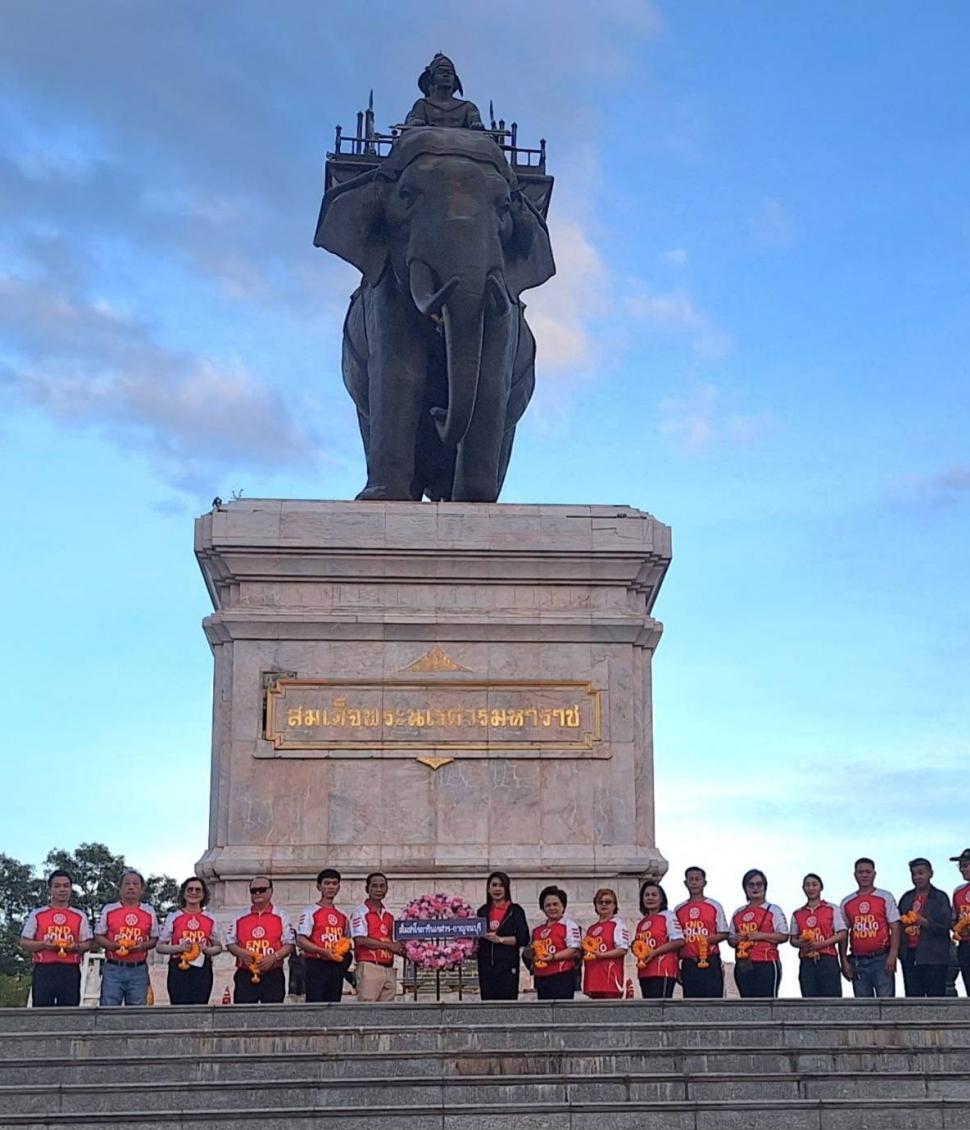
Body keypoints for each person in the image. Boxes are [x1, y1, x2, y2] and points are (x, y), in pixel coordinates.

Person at [21, 869, 92, 1007]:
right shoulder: (38, 914)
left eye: (66, 886)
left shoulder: (79, 915)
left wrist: (75, 947)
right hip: (44, 969)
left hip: (70, 969)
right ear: (50, 890)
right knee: (42, 1011)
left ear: (71, 889)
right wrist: (44, 945)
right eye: (57, 886)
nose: (62, 889)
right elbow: (24, 942)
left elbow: (88, 943)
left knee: (69, 1012)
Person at [225, 876, 295, 1004]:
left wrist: (274, 957)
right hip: (246, 973)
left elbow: (290, 943)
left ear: (271, 891)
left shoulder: (281, 915)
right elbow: (230, 942)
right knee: (243, 1012)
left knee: (272, 1013)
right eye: (253, 890)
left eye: (262, 890)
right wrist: (242, 953)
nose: (257, 893)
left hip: (272, 974)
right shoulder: (240, 916)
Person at [94, 869, 159, 1006]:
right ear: (120, 888)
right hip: (113, 967)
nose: (131, 887)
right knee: (109, 1008)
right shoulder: (109, 909)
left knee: (137, 1011)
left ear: (141, 890)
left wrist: (142, 946)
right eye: (127, 883)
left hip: (138, 969)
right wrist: (112, 946)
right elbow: (98, 935)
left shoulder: (149, 911)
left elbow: (154, 938)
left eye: (135, 884)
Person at [839, 857, 900, 998]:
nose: (864, 875)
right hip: (858, 961)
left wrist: (893, 954)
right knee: (863, 1005)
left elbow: (895, 926)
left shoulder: (885, 897)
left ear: (874, 874)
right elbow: (843, 933)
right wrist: (843, 960)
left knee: (886, 1002)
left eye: (868, 872)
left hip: (881, 958)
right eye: (860, 872)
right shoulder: (847, 902)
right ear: (855, 875)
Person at [157, 877, 223, 1005]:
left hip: (202, 967)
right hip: (179, 966)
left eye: (198, 890)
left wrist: (207, 949)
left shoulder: (210, 918)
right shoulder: (174, 917)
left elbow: (218, 947)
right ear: (183, 893)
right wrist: (179, 948)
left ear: (203, 895)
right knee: (179, 1007)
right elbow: (160, 947)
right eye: (190, 889)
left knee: (200, 1007)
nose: (193, 892)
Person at [728, 869, 789, 998]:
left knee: (767, 1002)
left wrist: (761, 936)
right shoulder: (738, 912)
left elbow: (784, 936)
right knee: (746, 1002)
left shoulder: (774, 909)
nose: (755, 888)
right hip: (743, 963)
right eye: (751, 885)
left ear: (765, 887)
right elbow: (730, 939)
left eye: (759, 884)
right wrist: (736, 939)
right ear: (745, 888)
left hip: (767, 962)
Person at [897, 857, 952, 997]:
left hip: (935, 956)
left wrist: (923, 922)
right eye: (914, 874)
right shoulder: (906, 898)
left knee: (935, 999)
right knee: (913, 998)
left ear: (930, 874)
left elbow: (946, 925)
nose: (917, 877)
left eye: (921, 873)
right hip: (910, 955)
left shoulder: (940, 897)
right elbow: (898, 925)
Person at [788, 873, 848, 998]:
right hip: (806, 960)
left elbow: (842, 933)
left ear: (821, 887)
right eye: (807, 885)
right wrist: (801, 943)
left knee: (832, 999)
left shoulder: (832, 908)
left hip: (828, 959)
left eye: (814, 885)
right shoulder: (797, 913)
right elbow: (792, 939)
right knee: (809, 999)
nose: (811, 888)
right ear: (803, 888)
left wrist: (822, 944)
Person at [297, 868, 352, 1003]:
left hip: (335, 965)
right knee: (315, 1004)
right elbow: (301, 939)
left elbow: (346, 940)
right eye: (327, 883)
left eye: (334, 883)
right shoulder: (310, 911)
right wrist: (322, 951)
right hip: (316, 964)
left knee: (334, 1003)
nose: (331, 887)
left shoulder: (342, 915)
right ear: (319, 886)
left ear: (339, 887)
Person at [349, 872, 406, 1002]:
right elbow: (360, 940)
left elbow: (395, 943)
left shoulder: (389, 915)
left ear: (387, 889)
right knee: (368, 1008)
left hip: (388, 967)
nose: (378, 890)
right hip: (369, 966)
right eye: (374, 886)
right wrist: (389, 946)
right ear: (367, 889)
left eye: (382, 886)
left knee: (387, 1010)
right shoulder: (360, 912)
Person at [674, 866, 729, 998]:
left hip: (710, 960)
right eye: (691, 879)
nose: (694, 882)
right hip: (689, 962)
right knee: (691, 1002)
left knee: (713, 1001)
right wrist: (676, 967)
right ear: (685, 883)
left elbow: (724, 932)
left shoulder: (715, 905)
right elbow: (676, 939)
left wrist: (706, 941)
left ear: (704, 882)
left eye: (697, 879)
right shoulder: (678, 909)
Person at [476, 870, 530, 1001]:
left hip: (508, 965)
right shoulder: (482, 911)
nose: (497, 889)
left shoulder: (515, 910)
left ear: (507, 889)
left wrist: (500, 940)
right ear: (488, 889)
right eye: (494, 885)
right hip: (486, 966)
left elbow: (524, 938)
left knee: (507, 1002)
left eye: (501, 885)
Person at [525, 886, 582, 1000]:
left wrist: (553, 957)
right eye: (548, 905)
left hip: (562, 976)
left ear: (563, 906)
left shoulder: (569, 925)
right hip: (541, 978)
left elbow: (575, 950)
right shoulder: (537, 930)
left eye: (555, 904)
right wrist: (531, 953)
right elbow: (528, 953)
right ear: (542, 908)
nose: (552, 908)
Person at [404, 53, 485, 130]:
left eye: (450, 73)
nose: (446, 75)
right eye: (440, 72)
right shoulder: (422, 104)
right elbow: (415, 121)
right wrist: (416, 121)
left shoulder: (467, 107)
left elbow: (475, 121)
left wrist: (475, 123)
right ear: (432, 79)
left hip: (462, 137)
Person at [633, 880, 683, 999]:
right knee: (649, 1008)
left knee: (661, 1006)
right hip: (645, 972)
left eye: (654, 895)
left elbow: (679, 941)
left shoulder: (668, 916)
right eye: (646, 895)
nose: (650, 898)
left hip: (663, 970)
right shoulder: (641, 923)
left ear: (661, 899)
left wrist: (654, 953)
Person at [581, 889, 630, 999]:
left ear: (614, 905)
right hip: (593, 979)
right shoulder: (591, 929)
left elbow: (622, 949)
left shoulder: (618, 924)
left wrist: (602, 955)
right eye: (600, 902)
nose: (603, 904)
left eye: (607, 902)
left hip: (610, 978)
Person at [951, 848, 970, 993]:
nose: (962, 869)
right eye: (960, 866)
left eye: (965, 865)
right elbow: (953, 919)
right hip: (965, 945)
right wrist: (958, 928)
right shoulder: (958, 891)